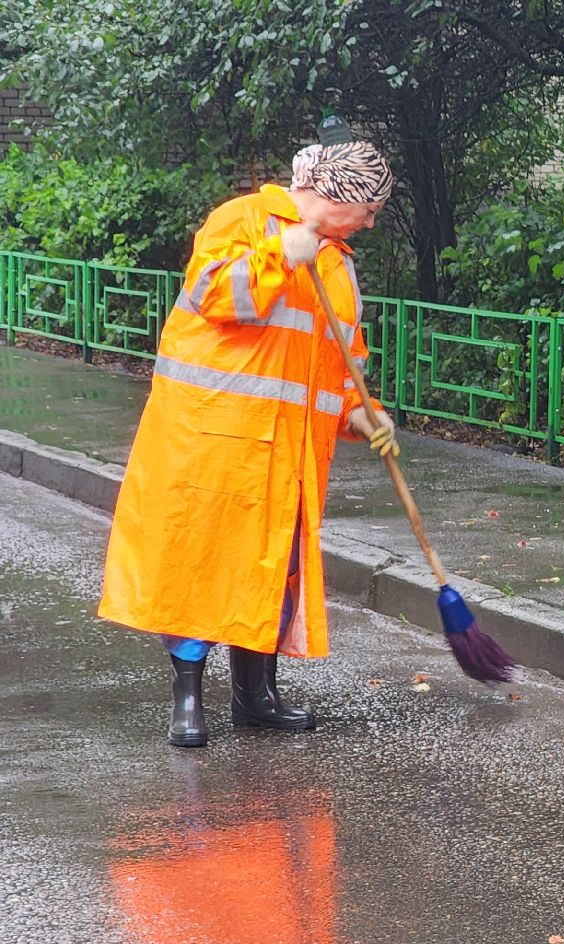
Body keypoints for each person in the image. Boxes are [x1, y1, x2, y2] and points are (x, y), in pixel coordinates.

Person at [98, 117, 399, 749]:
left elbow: (339, 362)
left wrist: (357, 413)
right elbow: (212, 294)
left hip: (287, 454)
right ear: (339, 196)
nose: (369, 224)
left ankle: (255, 697)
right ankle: (188, 702)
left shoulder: (339, 268)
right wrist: (278, 256)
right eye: (368, 210)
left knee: (269, 570)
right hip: (212, 443)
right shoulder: (243, 221)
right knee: (199, 567)